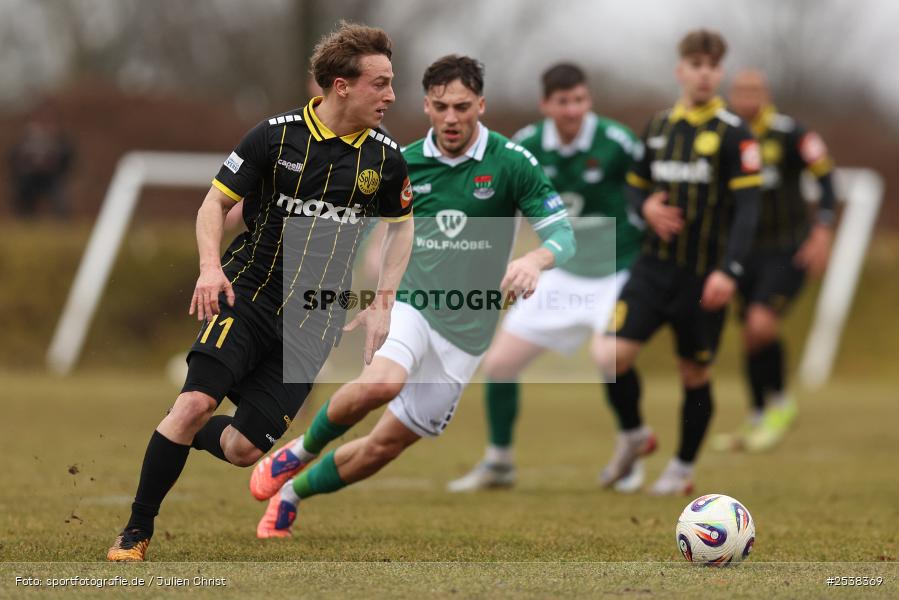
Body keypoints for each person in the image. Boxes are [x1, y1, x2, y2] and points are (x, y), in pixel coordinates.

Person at [106, 21, 414, 561]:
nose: (391, 95)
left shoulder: (386, 157)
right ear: (342, 86)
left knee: (243, 449)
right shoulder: (274, 136)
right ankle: (136, 530)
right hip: (248, 295)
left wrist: (382, 302)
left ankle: (187, 428)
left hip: (313, 320)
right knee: (194, 403)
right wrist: (209, 268)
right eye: (380, 83)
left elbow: (401, 226)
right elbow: (215, 203)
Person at [248, 55, 576, 538]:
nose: (451, 118)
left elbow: (563, 235)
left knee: (382, 447)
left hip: (469, 331)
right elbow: (354, 226)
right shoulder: (400, 162)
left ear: (481, 105)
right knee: (381, 384)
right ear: (426, 106)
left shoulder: (511, 162)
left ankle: (292, 495)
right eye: (440, 107)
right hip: (413, 303)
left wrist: (534, 260)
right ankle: (297, 453)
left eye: (462, 106)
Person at [446, 63, 645, 492]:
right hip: (562, 270)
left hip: (618, 271)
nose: (572, 110)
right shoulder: (528, 144)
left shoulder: (617, 141)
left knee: (608, 357)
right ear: (546, 104)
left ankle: (632, 447)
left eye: (580, 100)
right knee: (499, 364)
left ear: (588, 100)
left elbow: (650, 190)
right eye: (563, 101)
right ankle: (499, 462)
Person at [597, 29, 761, 495]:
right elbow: (634, 186)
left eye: (712, 66)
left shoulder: (735, 133)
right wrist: (646, 207)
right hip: (653, 267)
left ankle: (682, 468)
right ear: (680, 70)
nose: (704, 74)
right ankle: (634, 435)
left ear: (720, 72)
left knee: (694, 372)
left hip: (703, 275)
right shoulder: (659, 126)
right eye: (696, 65)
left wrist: (729, 270)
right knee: (610, 355)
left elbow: (749, 210)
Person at [712, 69, 836, 452]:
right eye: (741, 90)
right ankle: (756, 416)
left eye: (755, 90)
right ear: (732, 94)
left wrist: (822, 231)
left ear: (766, 94)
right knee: (750, 335)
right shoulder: (724, 135)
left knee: (760, 323)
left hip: (787, 249)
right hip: (742, 251)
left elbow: (826, 177)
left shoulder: (791, 133)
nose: (748, 97)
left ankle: (780, 404)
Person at [7, 115, 75, 219]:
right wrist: (27, 164)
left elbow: (67, 157)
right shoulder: (25, 140)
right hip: (29, 176)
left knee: (59, 194)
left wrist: (53, 163)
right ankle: (25, 217)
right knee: (22, 192)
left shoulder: (58, 140)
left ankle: (61, 219)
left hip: (52, 177)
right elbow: (13, 157)